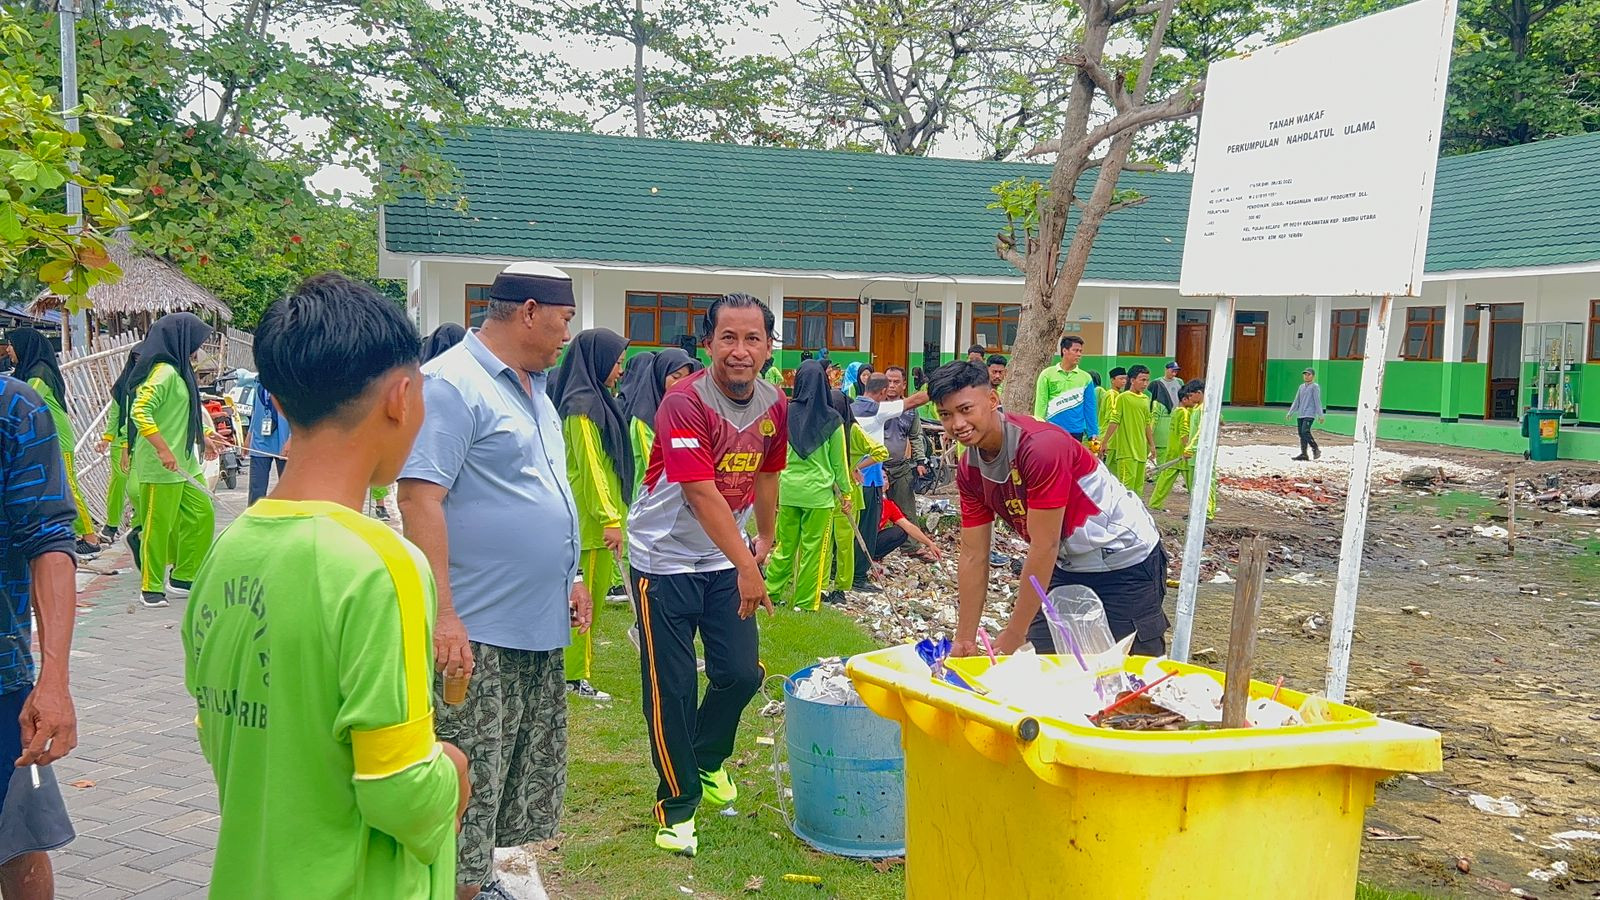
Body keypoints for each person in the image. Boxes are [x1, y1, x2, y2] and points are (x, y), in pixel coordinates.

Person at [182, 273, 470, 898]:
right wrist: (454, 771)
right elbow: (399, 791)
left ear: (278, 404)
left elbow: (221, 737)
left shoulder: (225, 553)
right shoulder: (381, 565)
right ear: (401, 397)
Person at [398, 262, 586, 900]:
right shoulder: (453, 383)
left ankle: (472, 882)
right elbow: (420, 498)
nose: (568, 334)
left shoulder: (532, 388)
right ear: (529, 311)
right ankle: (453, 887)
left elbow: (543, 489)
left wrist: (574, 572)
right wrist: (445, 614)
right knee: (467, 776)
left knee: (511, 777)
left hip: (533, 622)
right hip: (477, 629)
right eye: (564, 318)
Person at [626, 292, 786, 857]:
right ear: (708, 343)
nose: (740, 351)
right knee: (671, 688)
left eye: (752, 339)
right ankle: (676, 807)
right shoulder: (684, 401)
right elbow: (698, 490)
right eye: (728, 338)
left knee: (741, 673)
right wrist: (749, 565)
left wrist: (763, 538)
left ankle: (709, 757)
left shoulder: (773, 401)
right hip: (662, 559)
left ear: (769, 346)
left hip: (723, 557)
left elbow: (767, 472)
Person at [928, 361, 1168, 659]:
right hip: (1066, 564)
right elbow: (974, 554)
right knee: (1041, 664)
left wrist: (1015, 633)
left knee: (1127, 674)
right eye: (945, 415)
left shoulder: (1040, 447)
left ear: (992, 400)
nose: (957, 424)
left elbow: (1045, 544)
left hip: (1124, 560)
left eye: (966, 410)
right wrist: (964, 638)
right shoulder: (969, 470)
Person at [0, 373, 82, 899]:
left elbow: (49, 539)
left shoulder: (14, 408)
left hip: (2, 679)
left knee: (17, 839)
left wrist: (53, 680)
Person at [552, 328, 632, 702]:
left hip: (599, 520)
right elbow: (590, 469)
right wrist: (608, 519)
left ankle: (572, 672)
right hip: (588, 524)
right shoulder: (581, 407)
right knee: (583, 604)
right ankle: (572, 677)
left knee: (590, 604)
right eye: (615, 363)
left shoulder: (599, 400)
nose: (619, 370)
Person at [126, 312, 220, 609]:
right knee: (159, 525)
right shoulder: (163, 372)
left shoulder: (181, 370)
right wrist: (163, 450)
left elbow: (184, 411)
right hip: (161, 462)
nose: (199, 347)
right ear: (180, 339)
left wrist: (204, 435)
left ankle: (183, 577)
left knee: (201, 513)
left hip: (185, 460)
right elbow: (140, 411)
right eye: (197, 341)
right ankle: (150, 586)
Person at [765, 360, 850, 612]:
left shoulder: (784, 414)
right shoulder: (832, 419)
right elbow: (839, 463)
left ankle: (770, 592)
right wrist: (846, 492)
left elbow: (774, 453)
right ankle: (804, 602)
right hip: (818, 496)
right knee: (814, 551)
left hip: (789, 490)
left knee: (784, 546)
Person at [6, 329, 99, 557]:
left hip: (58, 437)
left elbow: (21, 401)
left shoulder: (39, 375)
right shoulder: (27, 371)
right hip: (44, 437)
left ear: (23, 346)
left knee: (68, 485)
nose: (8, 349)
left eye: (10, 344)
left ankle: (91, 538)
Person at [850, 374, 929, 591]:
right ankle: (858, 577)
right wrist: (945, 386)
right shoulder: (878, 410)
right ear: (884, 392)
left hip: (851, 477)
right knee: (866, 530)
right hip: (871, 479)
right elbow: (915, 401)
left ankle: (844, 572)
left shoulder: (851, 408)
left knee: (850, 528)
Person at [825, 390, 886, 604]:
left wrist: (855, 467)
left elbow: (881, 452)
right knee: (832, 542)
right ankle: (826, 585)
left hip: (844, 494)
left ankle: (840, 586)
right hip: (834, 492)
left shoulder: (852, 431)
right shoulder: (835, 428)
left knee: (842, 544)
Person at [625, 348, 697, 501]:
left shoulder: (676, 410)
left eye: (687, 378)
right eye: (675, 377)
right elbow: (653, 463)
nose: (681, 384)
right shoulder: (645, 417)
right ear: (660, 376)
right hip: (650, 498)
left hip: (675, 496)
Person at [96, 346, 141, 543]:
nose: (140, 362)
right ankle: (111, 525)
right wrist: (107, 438)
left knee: (138, 486)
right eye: (136, 358)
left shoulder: (152, 383)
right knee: (118, 483)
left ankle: (139, 522)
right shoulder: (123, 385)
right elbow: (116, 414)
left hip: (145, 441)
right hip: (120, 444)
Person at [881, 365, 927, 528]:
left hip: (900, 467)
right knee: (872, 512)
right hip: (875, 468)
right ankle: (871, 548)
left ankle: (912, 547)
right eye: (888, 381)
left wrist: (921, 462)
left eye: (896, 382)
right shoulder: (875, 406)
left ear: (904, 385)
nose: (892, 385)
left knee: (907, 511)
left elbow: (915, 436)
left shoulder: (911, 411)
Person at [1102, 365, 1157, 495]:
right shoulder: (1123, 397)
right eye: (1142, 380)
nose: (1145, 383)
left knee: (1138, 487)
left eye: (1147, 380)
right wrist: (1105, 442)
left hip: (1141, 451)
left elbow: (1147, 424)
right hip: (1126, 452)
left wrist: (1152, 445)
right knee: (1126, 487)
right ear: (1132, 380)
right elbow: (1114, 421)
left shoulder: (1145, 399)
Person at [1034, 335, 1099, 442]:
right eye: (1075, 350)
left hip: (1076, 432)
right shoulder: (1047, 374)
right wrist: (1038, 428)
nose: (1079, 354)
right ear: (1064, 350)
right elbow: (1041, 403)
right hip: (1052, 430)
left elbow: (1090, 408)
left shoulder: (1086, 378)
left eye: (1080, 351)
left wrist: (1093, 432)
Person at [243, 379, 290, 505]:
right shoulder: (259, 381)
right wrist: (249, 435)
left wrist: (292, 439)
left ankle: (290, 521)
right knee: (256, 489)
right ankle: (254, 521)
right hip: (260, 441)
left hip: (284, 441)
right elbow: (255, 409)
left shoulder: (290, 378)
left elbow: (300, 412)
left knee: (288, 490)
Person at [873, 496, 943, 563]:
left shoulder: (888, 505)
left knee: (901, 533)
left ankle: (874, 558)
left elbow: (908, 526)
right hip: (864, 537)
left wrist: (930, 544)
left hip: (873, 539)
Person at [1287, 367, 1325, 460]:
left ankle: (1315, 448)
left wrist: (1320, 414)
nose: (1306, 376)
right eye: (1305, 374)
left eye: (1309, 374)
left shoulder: (1315, 387)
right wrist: (1291, 412)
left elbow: (1317, 401)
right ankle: (1304, 454)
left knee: (1305, 431)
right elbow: (1297, 400)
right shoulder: (1301, 387)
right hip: (1301, 414)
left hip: (1309, 414)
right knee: (1301, 434)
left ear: (1313, 376)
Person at [1149, 361, 1180, 464]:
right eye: (1172, 371)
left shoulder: (1179, 382)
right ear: (1166, 369)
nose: (1174, 374)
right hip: (1163, 415)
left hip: (1174, 413)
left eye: (1176, 371)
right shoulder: (1157, 383)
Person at [1098, 366, 1125, 436]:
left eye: (1125, 378)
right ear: (1112, 380)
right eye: (1121, 378)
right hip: (1107, 433)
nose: (1124, 381)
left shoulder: (1118, 394)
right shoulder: (1112, 394)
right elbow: (1111, 417)